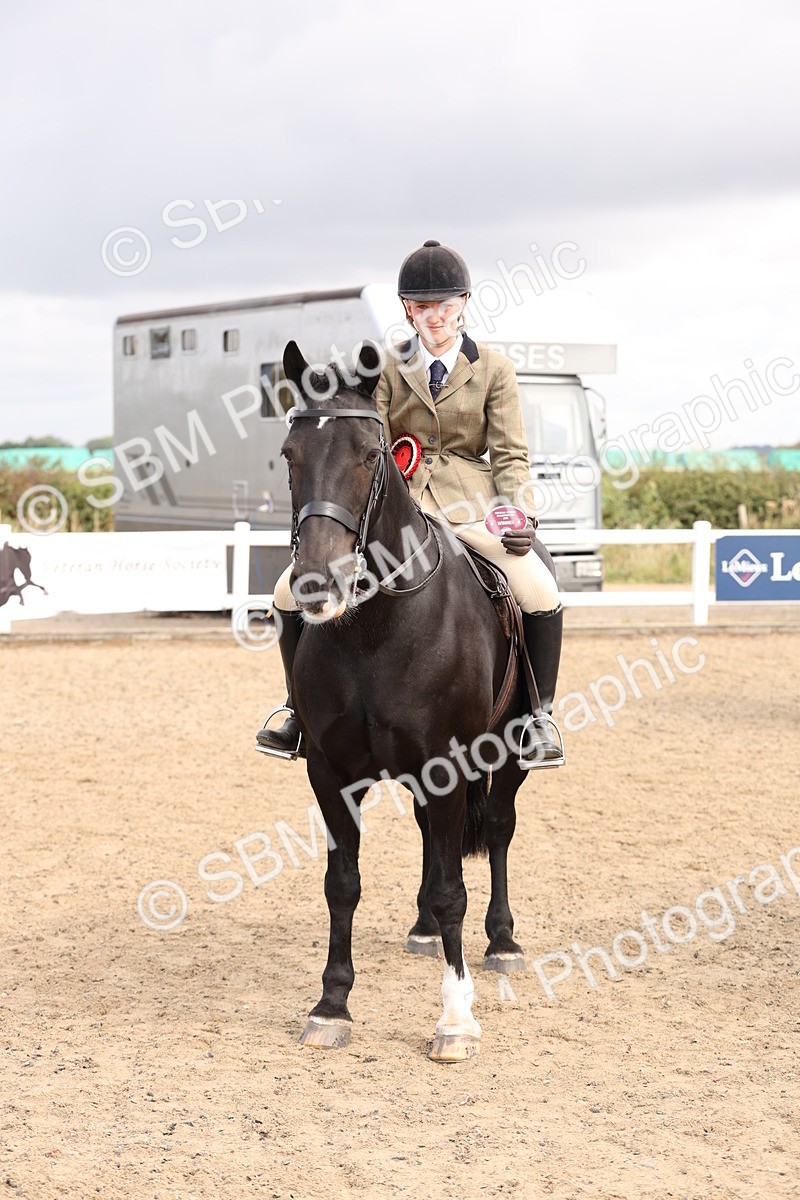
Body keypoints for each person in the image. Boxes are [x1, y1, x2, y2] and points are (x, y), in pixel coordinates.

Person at [256, 239, 564, 767]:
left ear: (464, 303)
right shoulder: (388, 368)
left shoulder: (494, 369)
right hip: (398, 507)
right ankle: (295, 711)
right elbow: (363, 439)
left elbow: (510, 453)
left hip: (471, 508)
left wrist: (521, 512)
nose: (434, 317)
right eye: (422, 308)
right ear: (407, 310)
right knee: (289, 589)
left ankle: (538, 717)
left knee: (537, 584)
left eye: (444, 306)